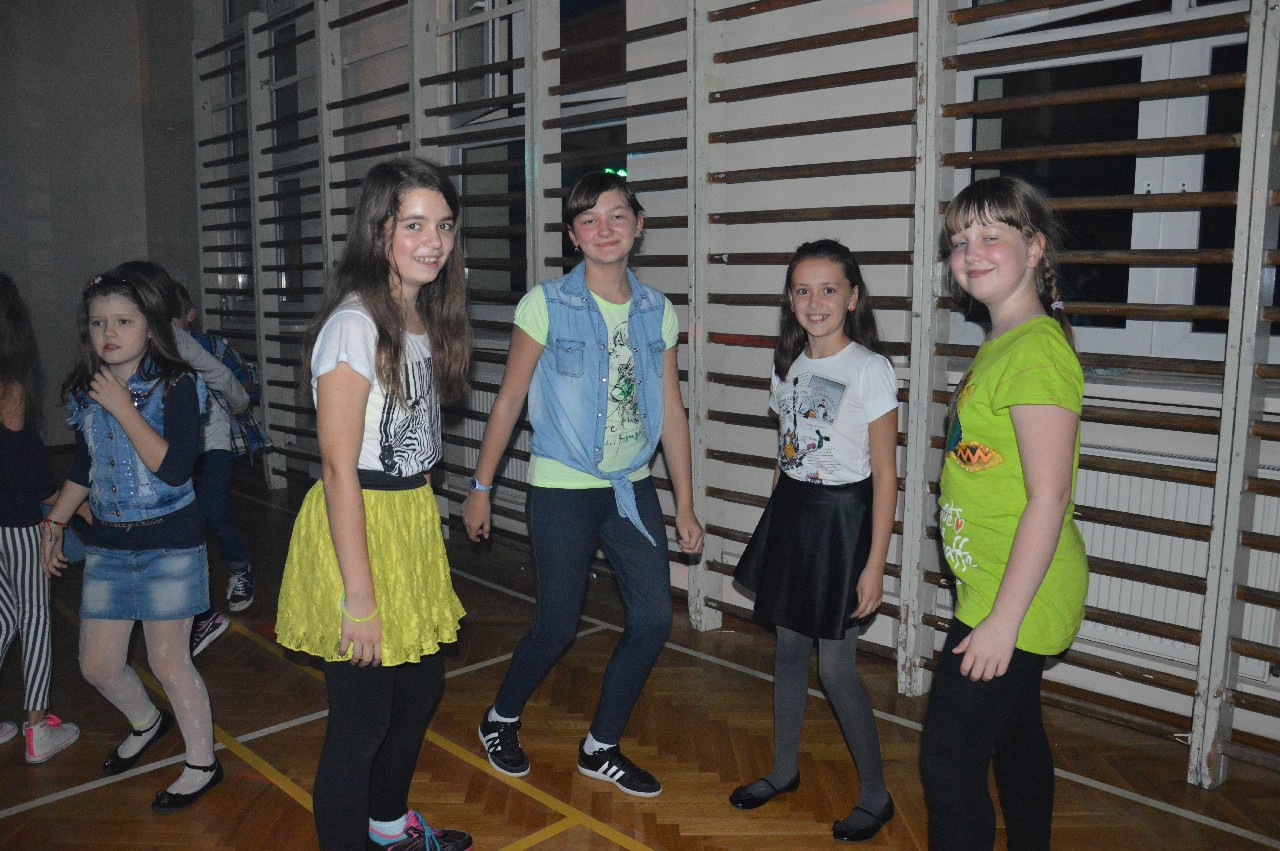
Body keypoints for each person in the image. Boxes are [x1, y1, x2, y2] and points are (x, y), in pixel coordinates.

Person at [463, 170, 705, 798]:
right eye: (588, 219)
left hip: (631, 487)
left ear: (638, 225)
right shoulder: (545, 304)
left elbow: (671, 410)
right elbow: (510, 397)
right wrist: (481, 486)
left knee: (653, 619)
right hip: (562, 488)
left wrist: (684, 503)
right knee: (557, 623)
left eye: (617, 215)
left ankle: (601, 747)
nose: (604, 229)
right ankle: (499, 718)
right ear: (573, 235)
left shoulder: (657, 311)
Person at [274, 157, 472, 851]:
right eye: (413, 224)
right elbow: (338, 466)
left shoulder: (421, 314)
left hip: (407, 520)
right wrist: (358, 597)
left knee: (417, 694)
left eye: (443, 225)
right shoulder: (354, 324)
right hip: (356, 523)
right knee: (360, 723)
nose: (433, 241)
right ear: (378, 230)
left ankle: (388, 826)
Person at [920, 175, 1089, 850]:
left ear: (1035, 247)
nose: (971, 252)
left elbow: (1050, 496)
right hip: (996, 587)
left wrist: (1003, 623)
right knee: (1016, 735)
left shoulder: (1035, 351)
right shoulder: (1009, 341)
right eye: (960, 240)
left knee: (947, 762)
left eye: (991, 235)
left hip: (1013, 597)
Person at [728, 240, 898, 842]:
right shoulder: (789, 364)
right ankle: (783, 770)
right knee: (789, 650)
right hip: (794, 517)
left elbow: (886, 475)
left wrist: (874, 566)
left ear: (853, 298)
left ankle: (876, 795)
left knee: (837, 666)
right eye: (803, 289)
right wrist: (775, 524)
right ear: (790, 300)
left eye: (829, 289)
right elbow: (787, 453)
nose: (815, 301)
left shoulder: (869, 369)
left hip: (843, 525)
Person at [41, 270, 221, 812]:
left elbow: (175, 469)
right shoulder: (88, 388)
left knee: (169, 661)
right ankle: (147, 722)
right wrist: (56, 523)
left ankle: (203, 763)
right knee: (97, 665)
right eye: (98, 323)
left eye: (123, 321)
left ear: (151, 326)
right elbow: (85, 464)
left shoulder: (178, 384)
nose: (110, 333)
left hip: (170, 544)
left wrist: (123, 407)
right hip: (109, 546)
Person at [112, 262, 254, 660]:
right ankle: (188, 611)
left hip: (208, 438)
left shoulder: (175, 338)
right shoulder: (115, 340)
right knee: (165, 524)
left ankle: (236, 570)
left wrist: (240, 403)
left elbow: (220, 375)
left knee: (210, 508)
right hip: (157, 444)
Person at [0, 274, 82, 764]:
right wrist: (67, 502)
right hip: (15, 525)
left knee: (6, 615)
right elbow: (23, 468)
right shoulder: (9, 384)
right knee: (33, 617)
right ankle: (37, 729)